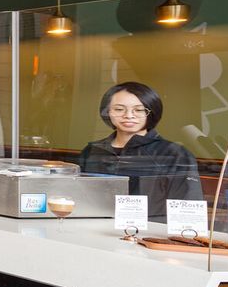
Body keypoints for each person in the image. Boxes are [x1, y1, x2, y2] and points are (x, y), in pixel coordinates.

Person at [77, 81, 203, 216]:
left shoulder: (174, 154)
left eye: (138, 110)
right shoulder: (92, 151)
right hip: (93, 229)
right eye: (119, 109)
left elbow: (188, 207)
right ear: (108, 112)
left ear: (151, 112)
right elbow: (78, 199)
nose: (129, 115)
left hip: (150, 233)